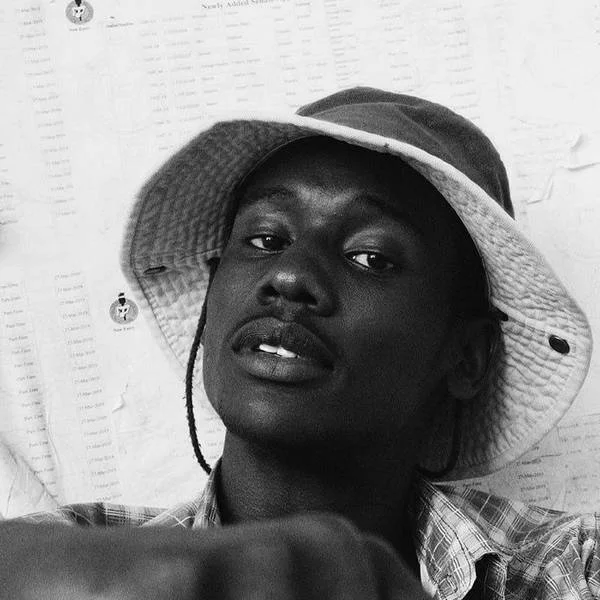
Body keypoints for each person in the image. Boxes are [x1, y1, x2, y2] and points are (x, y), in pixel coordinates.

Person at [0, 87, 596, 599]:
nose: (288, 276)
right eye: (264, 239)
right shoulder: (74, 553)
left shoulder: (570, 570)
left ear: (466, 357)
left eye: (370, 256)